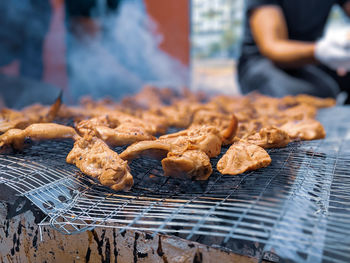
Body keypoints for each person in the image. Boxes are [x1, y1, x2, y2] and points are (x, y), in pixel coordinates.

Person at [238, 0, 350, 102]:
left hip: (310, 62)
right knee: (302, 96)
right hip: (262, 62)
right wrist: (324, 51)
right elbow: (273, 47)